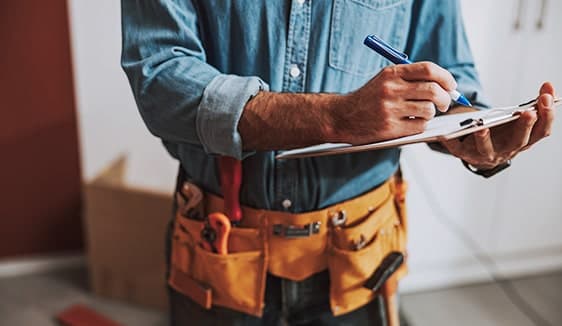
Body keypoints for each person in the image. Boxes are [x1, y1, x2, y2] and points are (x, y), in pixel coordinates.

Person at [121, 0, 556, 325]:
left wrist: (471, 132)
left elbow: (449, 84)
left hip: (359, 262)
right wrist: (335, 117)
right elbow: (159, 78)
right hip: (219, 256)